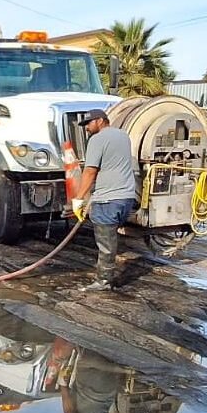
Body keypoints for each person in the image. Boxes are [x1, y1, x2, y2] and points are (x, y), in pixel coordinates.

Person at [71, 108, 137, 291]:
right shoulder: (123, 136)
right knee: (111, 238)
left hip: (107, 199)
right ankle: (105, 274)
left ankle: (104, 281)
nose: (86, 128)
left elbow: (90, 170)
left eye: (88, 124)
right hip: (126, 197)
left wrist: (79, 198)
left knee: (105, 243)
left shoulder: (97, 140)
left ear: (100, 121)